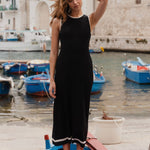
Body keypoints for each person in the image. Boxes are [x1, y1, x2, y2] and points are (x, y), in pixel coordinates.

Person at [49, 0, 108, 149]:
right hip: (63, 73)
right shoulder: (58, 21)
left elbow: (103, 4)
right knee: (63, 111)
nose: (75, 2)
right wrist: (51, 79)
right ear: (66, 2)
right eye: (71, 0)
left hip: (83, 73)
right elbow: (54, 52)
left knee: (81, 112)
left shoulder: (89, 20)